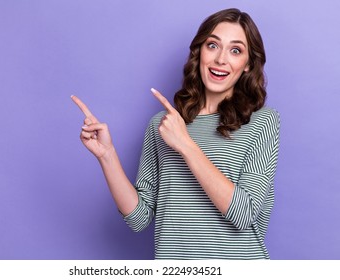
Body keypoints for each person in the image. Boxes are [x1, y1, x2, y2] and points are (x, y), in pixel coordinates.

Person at [71, 8, 280, 259]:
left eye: (235, 50)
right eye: (213, 45)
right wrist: (107, 156)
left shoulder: (262, 122)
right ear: (199, 51)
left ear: (248, 65)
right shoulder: (163, 124)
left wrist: (185, 144)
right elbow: (139, 218)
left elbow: (243, 214)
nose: (221, 59)